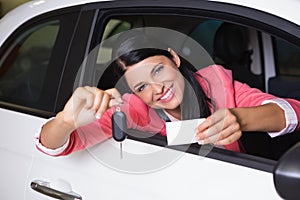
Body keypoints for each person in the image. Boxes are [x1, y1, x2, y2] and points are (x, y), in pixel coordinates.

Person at [35, 33, 300, 156]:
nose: (157, 89)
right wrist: (65, 121)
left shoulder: (216, 85)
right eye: (141, 87)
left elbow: (292, 112)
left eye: (158, 71)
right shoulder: (133, 109)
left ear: (173, 57)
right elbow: (56, 144)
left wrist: (238, 118)